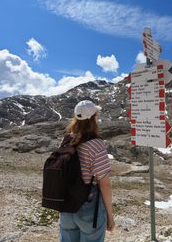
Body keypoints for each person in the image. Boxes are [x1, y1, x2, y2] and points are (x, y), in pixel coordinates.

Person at [59, 100, 115, 242]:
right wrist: (110, 215)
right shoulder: (96, 145)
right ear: (93, 118)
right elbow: (105, 184)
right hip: (88, 206)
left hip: (66, 206)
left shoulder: (66, 140)